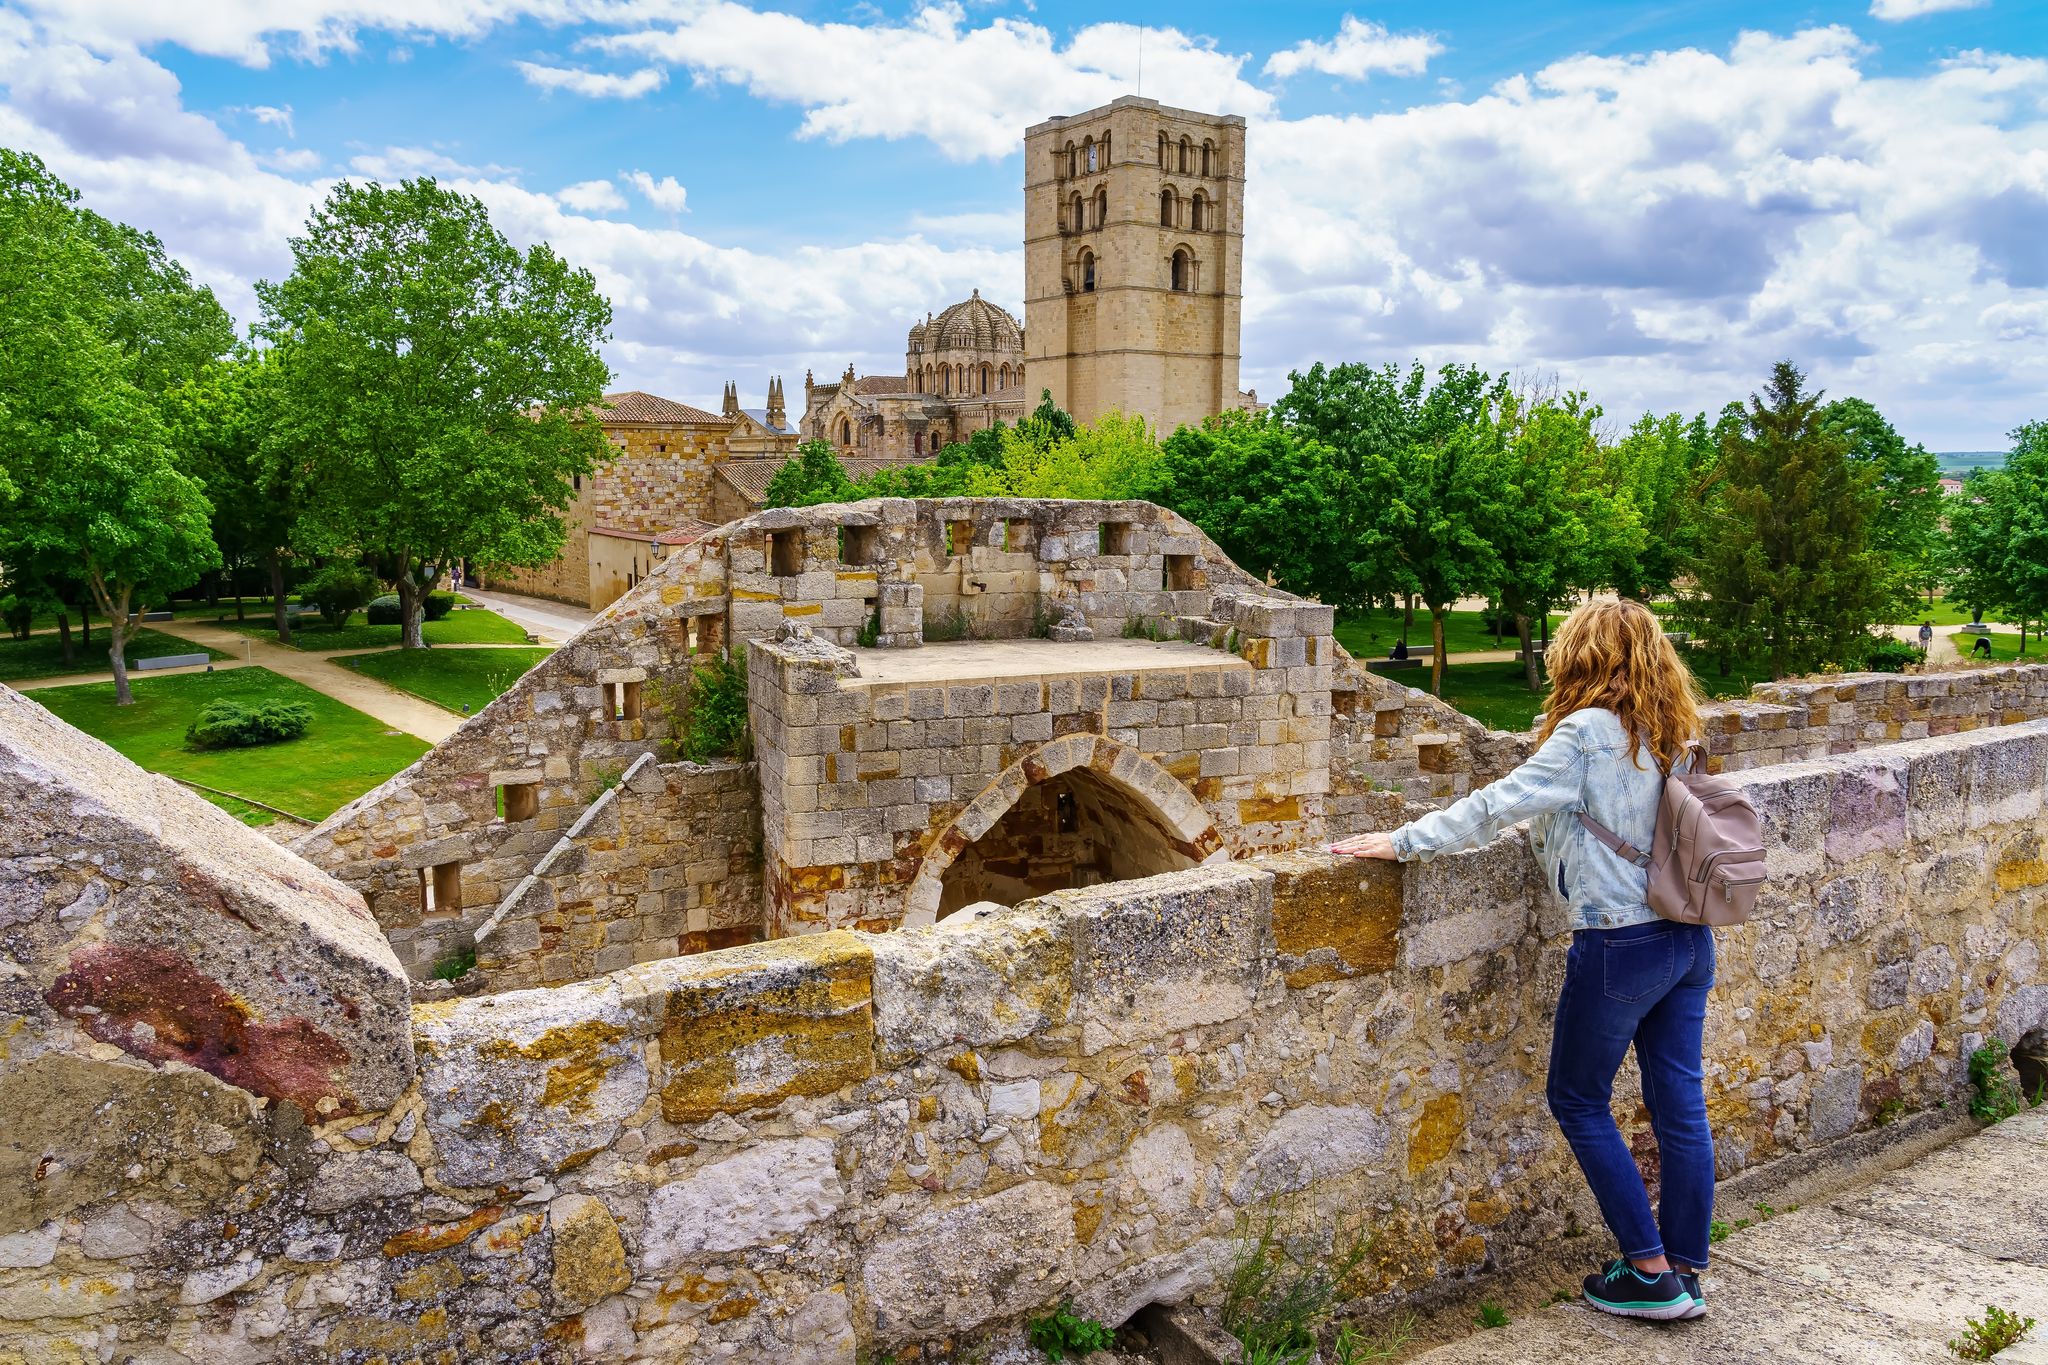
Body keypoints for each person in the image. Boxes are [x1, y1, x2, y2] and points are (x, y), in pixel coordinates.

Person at [1330, 599, 1712, 1322]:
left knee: (1576, 1097)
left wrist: (1403, 840)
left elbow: (1499, 803)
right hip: (1688, 937)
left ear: (1581, 656)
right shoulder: (1678, 727)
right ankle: (1688, 1268)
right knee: (1680, 1105)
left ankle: (1650, 1272)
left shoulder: (1589, 733)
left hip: (1619, 941)